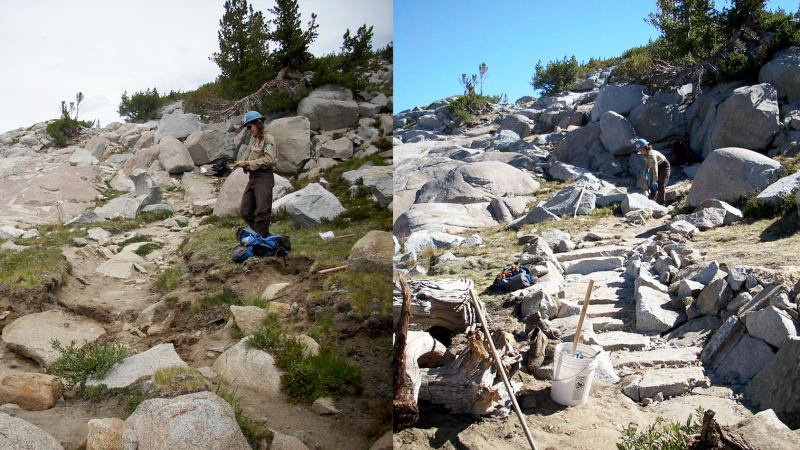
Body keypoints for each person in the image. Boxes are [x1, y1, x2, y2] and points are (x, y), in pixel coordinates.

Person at [232, 111, 277, 237]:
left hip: (264, 177)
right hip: (253, 178)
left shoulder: (268, 139)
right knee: (245, 211)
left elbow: (270, 160)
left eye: (250, 127)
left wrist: (248, 163)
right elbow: (254, 159)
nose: (249, 130)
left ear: (258, 124)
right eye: (247, 128)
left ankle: (261, 238)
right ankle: (262, 235)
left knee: (262, 211)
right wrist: (245, 166)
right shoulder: (254, 140)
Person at [636, 138, 670, 205]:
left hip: (664, 166)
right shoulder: (644, 155)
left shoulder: (651, 154)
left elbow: (655, 167)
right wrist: (646, 170)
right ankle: (651, 203)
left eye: (641, 150)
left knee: (661, 186)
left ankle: (661, 204)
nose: (641, 152)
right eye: (639, 150)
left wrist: (655, 181)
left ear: (646, 147)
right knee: (652, 187)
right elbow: (648, 163)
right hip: (657, 166)